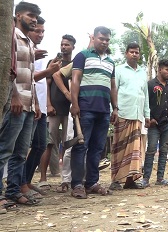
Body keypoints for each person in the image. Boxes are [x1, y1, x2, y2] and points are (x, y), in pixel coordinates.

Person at [0, 2, 42, 206]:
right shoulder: (11, 36)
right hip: (15, 103)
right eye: (30, 15)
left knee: (20, 153)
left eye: (36, 16)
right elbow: (8, 69)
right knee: (4, 150)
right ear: (17, 15)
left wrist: (36, 103)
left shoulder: (29, 43)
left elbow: (30, 77)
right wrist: (14, 96)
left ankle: (13, 192)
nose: (33, 19)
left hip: (29, 105)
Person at [70, 26, 118, 199]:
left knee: (97, 149)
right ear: (94, 38)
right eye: (101, 39)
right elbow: (75, 80)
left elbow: (112, 86)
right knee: (80, 147)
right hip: (85, 109)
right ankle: (76, 184)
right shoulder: (82, 55)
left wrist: (115, 108)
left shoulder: (111, 62)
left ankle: (91, 183)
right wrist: (74, 104)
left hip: (104, 111)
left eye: (107, 40)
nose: (104, 42)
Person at [20, 16, 61, 199]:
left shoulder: (38, 53)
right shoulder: (25, 50)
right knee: (21, 148)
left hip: (41, 107)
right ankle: (18, 185)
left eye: (43, 31)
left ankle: (27, 181)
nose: (41, 34)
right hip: (28, 106)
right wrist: (48, 71)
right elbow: (30, 77)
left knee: (40, 145)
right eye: (37, 31)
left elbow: (43, 81)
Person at [109, 42, 150, 190]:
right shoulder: (118, 70)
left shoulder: (142, 72)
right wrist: (113, 110)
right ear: (126, 53)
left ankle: (130, 180)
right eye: (131, 52)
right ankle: (115, 180)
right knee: (119, 147)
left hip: (138, 115)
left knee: (135, 150)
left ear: (139, 55)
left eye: (137, 52)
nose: (134, 54)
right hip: (122, 113)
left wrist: (147, 115)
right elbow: (113, 91)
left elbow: (144, 95)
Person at [37, 34, 75, 192]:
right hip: (54, 109)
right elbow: (47, 84)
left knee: (68, 144)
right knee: (49, 143)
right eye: (62, 44)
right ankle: (43, 178)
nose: (64, 47)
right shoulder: (54, 63)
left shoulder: (75, 64)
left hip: (70, 110)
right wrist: (48, 104)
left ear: (73, 47)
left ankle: (65, 179)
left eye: (67, 45)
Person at [141, 59, 168, 187]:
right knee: (151, 149)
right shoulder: (150, 85)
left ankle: (160, 178)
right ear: (159, 69)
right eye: (167, 70)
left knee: (164, 150)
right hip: (154, 124)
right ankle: (145, 179)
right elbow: (144, 101)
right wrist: (149, 118)